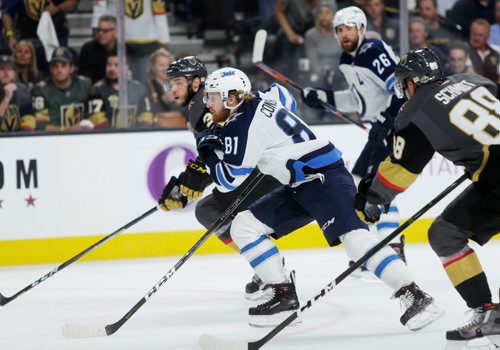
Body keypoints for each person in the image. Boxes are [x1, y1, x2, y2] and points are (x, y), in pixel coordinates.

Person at [199, 66, 444, 328]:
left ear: (232, 98)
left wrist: (210, 153)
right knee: (244, 226)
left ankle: (414, 295)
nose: (207, 103)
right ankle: (283, 295)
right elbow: (286, 98)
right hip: (301, 183)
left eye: (212, 97)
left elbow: (227, 181)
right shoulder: (262, 99)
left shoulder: (239, 124)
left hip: (324, 178)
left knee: (355, 239)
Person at [354, 48, 499, 344]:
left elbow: (400, 171)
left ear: (411, 83)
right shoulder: (473, 79)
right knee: (445, 231)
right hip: (493, 178)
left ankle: (486, 311)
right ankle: (489, 316)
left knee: (445, 234)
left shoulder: (416, 110)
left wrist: (371, 199)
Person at [157, 56, 282, 300]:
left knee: (208, 210)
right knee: (210, 209)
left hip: (263, 173)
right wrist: (185, 184)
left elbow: (219, 149)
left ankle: (269, 270)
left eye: (178, 82)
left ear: (195, 83)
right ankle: (267, 267)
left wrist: (189, 184)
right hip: (268, 169)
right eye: (170, 83)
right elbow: (216, 150)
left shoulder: (201, 106)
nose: (173, 89)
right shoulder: (207, 103)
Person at [301, 6, 406, 271]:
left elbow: (400, 88)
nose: (343, 34)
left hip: (396, 126)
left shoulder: (373, 51)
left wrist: (389, 120)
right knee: (358, 184)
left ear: (360, 28)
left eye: (348, 28)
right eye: (339, 30)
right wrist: (325, 96)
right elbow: (357, 100)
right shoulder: (347, 61)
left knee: (375, 188)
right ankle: (372, 248)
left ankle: (392, 247)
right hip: (380, 127)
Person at [32, 47, 92, 132]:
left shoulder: (84, 85)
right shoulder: (40, 90)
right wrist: (68, 130)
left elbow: (94, 115)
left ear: (71, 68)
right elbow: (41, 126)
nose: (59, 70)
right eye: (55, 66)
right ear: (50, 69)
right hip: (52, 140)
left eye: (63, 65)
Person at [87, 54, 153, 128]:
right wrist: (116, 135)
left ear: (126, 67)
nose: (112, 69)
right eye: (109, 65)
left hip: (135, 136)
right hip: (108, 137)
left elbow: (147, 116)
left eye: (116, 65)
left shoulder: (139, 89)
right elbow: (96, 118)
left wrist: (136, 134)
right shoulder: (97, 90)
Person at [146, 48, 185, 127]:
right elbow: (147, 113)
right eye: (161, 65)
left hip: (179, 128)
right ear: (153, 67)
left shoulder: (179, 86)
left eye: (168, 65)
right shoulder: (147, 87)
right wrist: (163, 101)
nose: (165, 68)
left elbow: (187, 110)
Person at [0, 54, 35, 132]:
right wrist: (6, 99)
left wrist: (18, 139)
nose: (6, 72)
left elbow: (29, 119)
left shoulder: (23, 91)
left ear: (14, 73)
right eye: (2, 69)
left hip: (18, 140)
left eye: (9, 69)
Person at [78, 15, 117, 84]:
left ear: (115, 31)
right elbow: (83, 76)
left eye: (105, 31)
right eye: (98, 30)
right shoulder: (88, 49)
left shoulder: (122, 49)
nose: (100, 33)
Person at [468, 19, 500, 83]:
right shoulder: (463, 51)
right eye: (474, 34)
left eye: (480, 35)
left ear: (488, 36)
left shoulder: (497, 51)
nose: (477, 38)